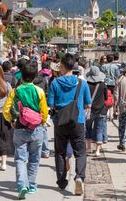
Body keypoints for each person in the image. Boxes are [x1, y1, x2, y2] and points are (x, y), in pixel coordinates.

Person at [3, 61, 48, 199]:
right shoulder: (39, 91)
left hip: (20, 128)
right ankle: (32, 185)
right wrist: (42, 122)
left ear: (21, 74)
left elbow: (5, 109)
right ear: (35, 75)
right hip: (36, 129)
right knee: (34, 159)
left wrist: (11, 119)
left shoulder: (16, 91)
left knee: (20, 159)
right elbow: (44, 112)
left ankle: (22, 184)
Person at [47, 53, 92, 195]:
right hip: (77, 121)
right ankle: (79, 177)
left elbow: (50, 104)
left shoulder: (55, 83)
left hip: (60, 121)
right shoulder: (82, 83)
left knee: (60, 152)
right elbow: (88, 103)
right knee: (80, 152)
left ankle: (61, 181)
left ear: (62, 66)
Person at [85, 66, 108, 157]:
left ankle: (88, 148)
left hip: (89, 110)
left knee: (88, 128)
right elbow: (106, 98)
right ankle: (97, 151)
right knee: (99, 129)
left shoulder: (86, 85)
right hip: (101, 110)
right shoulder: (103, 85)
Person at [102, 54, 120, 120]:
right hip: (113, 83)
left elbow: (101, 74)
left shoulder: (103, 66)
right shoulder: (115, 67)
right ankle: (112, 113)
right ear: (112, 59)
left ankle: (106, 112)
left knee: (105, 97)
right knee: (112, 97)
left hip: (105, 83)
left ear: (106, 59)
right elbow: (117, 75)